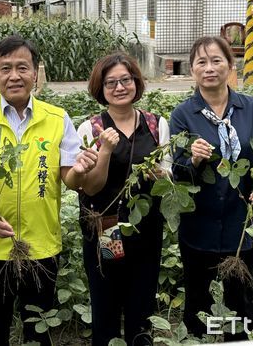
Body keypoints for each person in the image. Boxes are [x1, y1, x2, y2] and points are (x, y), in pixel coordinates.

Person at [0, 35, 98, 346]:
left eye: (23, 67)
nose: (14, 76)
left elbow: (70, 179)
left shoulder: (57, 118)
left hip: (41, 245)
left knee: (40, 331)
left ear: (36, 73)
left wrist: (81, 169)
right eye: (5, 68)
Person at [169, 36, 253, 341]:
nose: (209, 68)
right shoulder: (183, 115)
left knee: (242, 307)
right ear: (192, 70)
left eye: (216, 61)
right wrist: (194, 161)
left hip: (243, 227)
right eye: (201, 62)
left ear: (230, 65)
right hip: (199, 228)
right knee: (198, 306)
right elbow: (178, 174)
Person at [76, 52, 170, 346]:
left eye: (125, 80)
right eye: (111, 83)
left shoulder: (156, 125)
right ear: (101, 89)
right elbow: (89, 187)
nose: (119, 87)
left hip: (147, 227)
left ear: (136, 82)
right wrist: (104, 150)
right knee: (107, 298)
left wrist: (160, 175)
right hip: (108, 227)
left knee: (141, 300)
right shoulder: (90, 129)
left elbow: (168, 177)